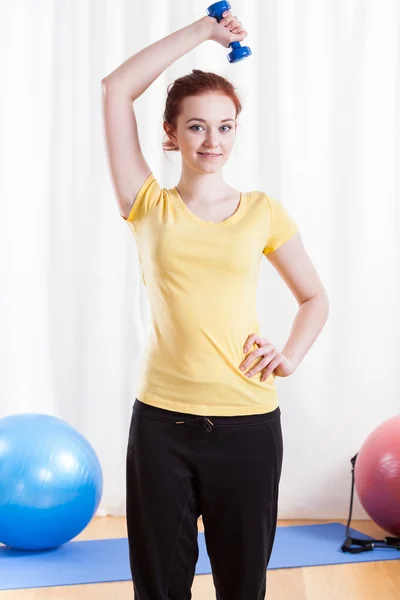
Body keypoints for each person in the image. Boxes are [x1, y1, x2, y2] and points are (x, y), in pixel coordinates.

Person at [101, 9, 329, 600]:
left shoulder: (262, 211)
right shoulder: (146, 203)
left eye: (225, 127)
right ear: (171, 134)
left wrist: (289, 356)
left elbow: (314, 297)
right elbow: (115, 88)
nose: (213, 141)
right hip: (161, 427)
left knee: (242, 587)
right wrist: (203, 31)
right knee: (159, 589)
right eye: (197, 127)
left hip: (249, 426)